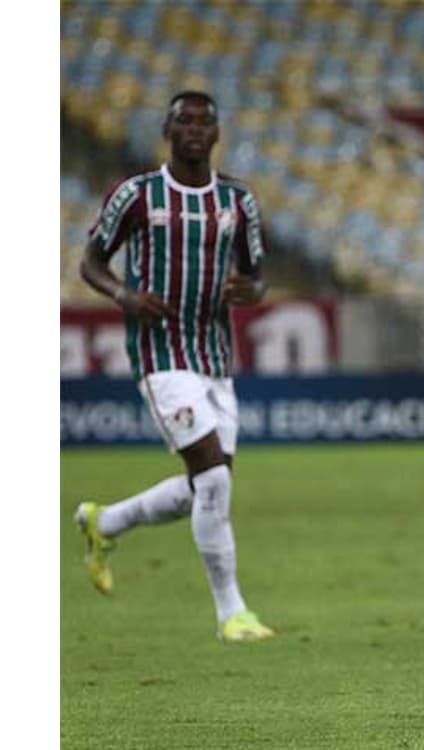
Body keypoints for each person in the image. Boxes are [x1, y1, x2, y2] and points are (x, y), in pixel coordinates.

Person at [75, 91, 275, 643]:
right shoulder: (137, 195)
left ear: (216, 133)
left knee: (205, 487)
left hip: (214, 356)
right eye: (183, 120)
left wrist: (249, 290)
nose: (193, 129)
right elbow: (91, 261)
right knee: (212, 476)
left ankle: (105, 521)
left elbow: (257, 275)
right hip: (160, 354)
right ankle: (232, 612)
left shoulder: (237, 200)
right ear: (167, 129)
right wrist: (125, 295)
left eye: (204, 121)